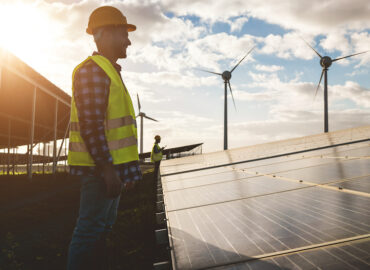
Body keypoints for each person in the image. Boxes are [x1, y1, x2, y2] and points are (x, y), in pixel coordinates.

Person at [66, 6, 141, 270]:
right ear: (107, 33)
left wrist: (125, 171)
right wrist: (109, 170)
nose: (128, 40)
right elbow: (92, 125)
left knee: (101, 230)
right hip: (100, 171)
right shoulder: (93, 71)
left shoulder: (109, 71)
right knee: (89, 232)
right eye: (124, 33)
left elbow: (113, 129)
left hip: (110, 169)